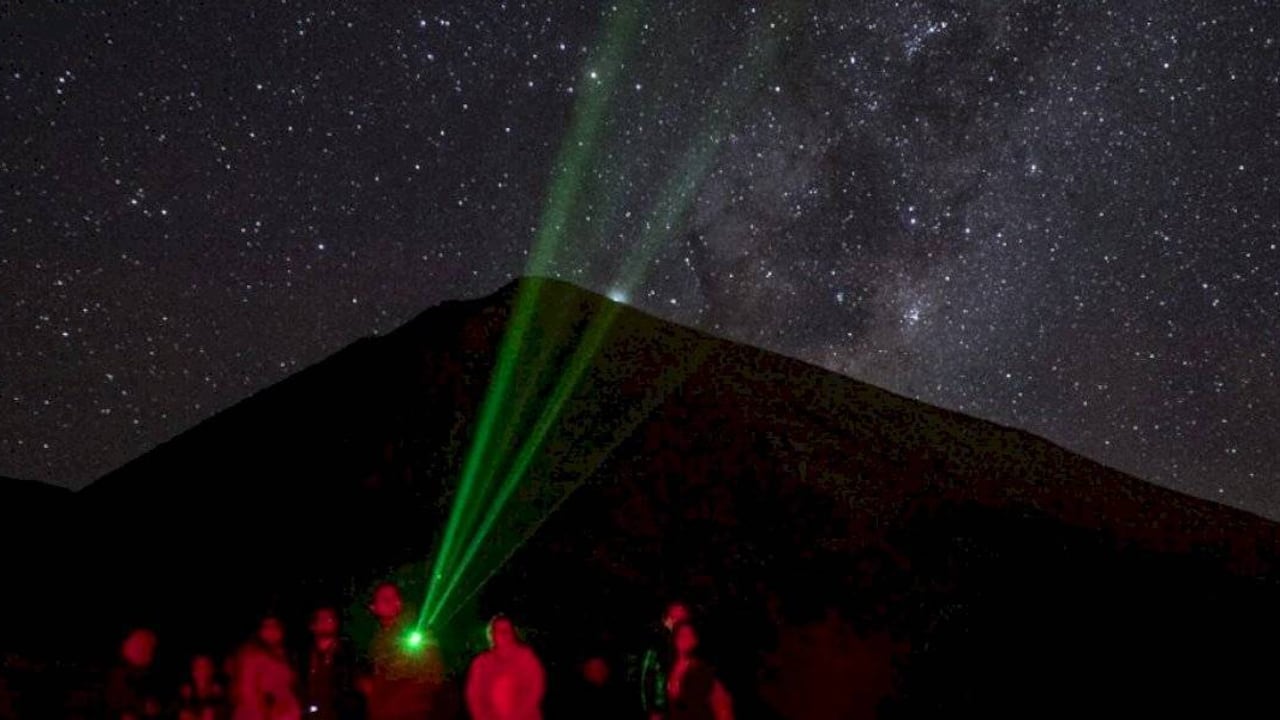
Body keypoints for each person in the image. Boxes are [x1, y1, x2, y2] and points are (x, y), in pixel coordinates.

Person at [361, 582, 444, 720]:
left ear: (399, 603)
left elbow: (434, 675)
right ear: (373, 607)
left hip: (410, 712)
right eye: (384, 598)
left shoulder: (417, 633)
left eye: (394, 597)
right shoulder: (373, 640)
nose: (390, 601)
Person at [465, 615, 545, 720]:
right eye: (499, 631)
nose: (504, 634)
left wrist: (522, 711)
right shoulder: (482, 663)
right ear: (491, 635)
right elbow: (474, 696)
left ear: (513, 633)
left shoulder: (525, 657)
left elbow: (536, 686)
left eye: (507, 630)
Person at [231, 616, 302, 720]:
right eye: (266, 626)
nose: (271, 631)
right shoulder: (252, 656)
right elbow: (248, 693)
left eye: (275, 626)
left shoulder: (286, 656)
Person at [301, 607, 361, 720]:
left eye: (330, 618)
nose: (326, 622)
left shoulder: (349, 653)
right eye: (321, 619)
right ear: (312, 626)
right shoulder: (303, 656)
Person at [666, 622, 732, 720]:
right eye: (681, 635)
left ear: (695, 641)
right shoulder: (666, 669)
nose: (685, 640)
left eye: (689, 636)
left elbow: (721, 704)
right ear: (674, 640)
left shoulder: (704, 671)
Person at [640, 601, 691, 719]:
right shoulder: (657, 638)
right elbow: (646, 674)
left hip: (666, 704)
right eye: (677, 614)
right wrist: (650, 708)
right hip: (658, 705)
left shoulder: (673, 639)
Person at [105, 628, 162, 720]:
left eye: (150, 649)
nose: (148, 652)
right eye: (142, 648)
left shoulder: (147, 677)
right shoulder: (120, 676)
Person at [177, 654, 228, 720]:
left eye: (205, 668)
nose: (201, 673)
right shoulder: (186, 694)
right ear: (192, 672)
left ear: (212, 671)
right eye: (198, 668)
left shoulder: (219, 696)